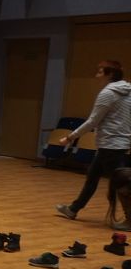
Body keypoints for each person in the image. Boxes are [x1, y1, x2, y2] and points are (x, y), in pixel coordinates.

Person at [55, 60, 131, 221]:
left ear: (110, 74)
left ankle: (130, 219)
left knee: (121, 184)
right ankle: (73, 209)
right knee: (93, 176)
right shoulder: (128, 91)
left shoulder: (108, 93)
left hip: (111, 144)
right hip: (114, 144)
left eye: (100, 72)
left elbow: (92, 121)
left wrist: (70, 137)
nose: (97, 76)